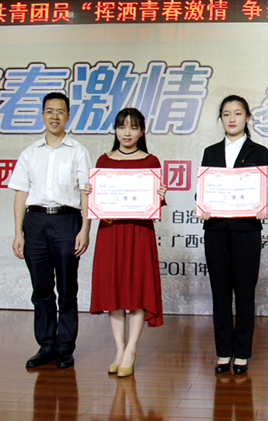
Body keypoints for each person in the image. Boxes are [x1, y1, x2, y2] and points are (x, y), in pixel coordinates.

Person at [9, 92, 92, 369]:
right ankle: (46, 345)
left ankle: (65, 347)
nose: (54, 116)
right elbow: (21, 193)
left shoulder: (78, 150)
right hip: (35, 223)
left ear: (68, 116)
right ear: (42, 115)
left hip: (67, 221)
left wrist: (85, 229)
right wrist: (18, 232)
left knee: (67, 288)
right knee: (41, 289)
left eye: (60, 111)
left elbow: (86, 192)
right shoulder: (30, 152)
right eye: (49, 111)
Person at [88, 108, 167, 378]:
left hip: (139, 232)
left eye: (133, 128)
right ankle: (119, 349)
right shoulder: (103, 160)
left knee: (138, 288)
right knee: (114, 290)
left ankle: (131, 349)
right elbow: (96, 201)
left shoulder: (151, 161)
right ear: (115, 130)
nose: (127, 133)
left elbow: (154, 204)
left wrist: (159, 194)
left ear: (142, 132)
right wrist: (90, 192)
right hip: (110, 232)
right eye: (122, 127)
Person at [198, 95, 268, 374]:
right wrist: (202, 205)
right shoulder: (211, 151)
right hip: (216, 230)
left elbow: (264, 190)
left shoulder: (258, 151)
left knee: (244, 292)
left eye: (238, 113)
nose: (232, 118)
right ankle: (223, 352)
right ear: (221, 118)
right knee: (219, 293)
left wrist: (263, 204)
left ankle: (241, 353)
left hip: (246, 230)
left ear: (247, 117)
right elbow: (202, 190)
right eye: (226, 113)